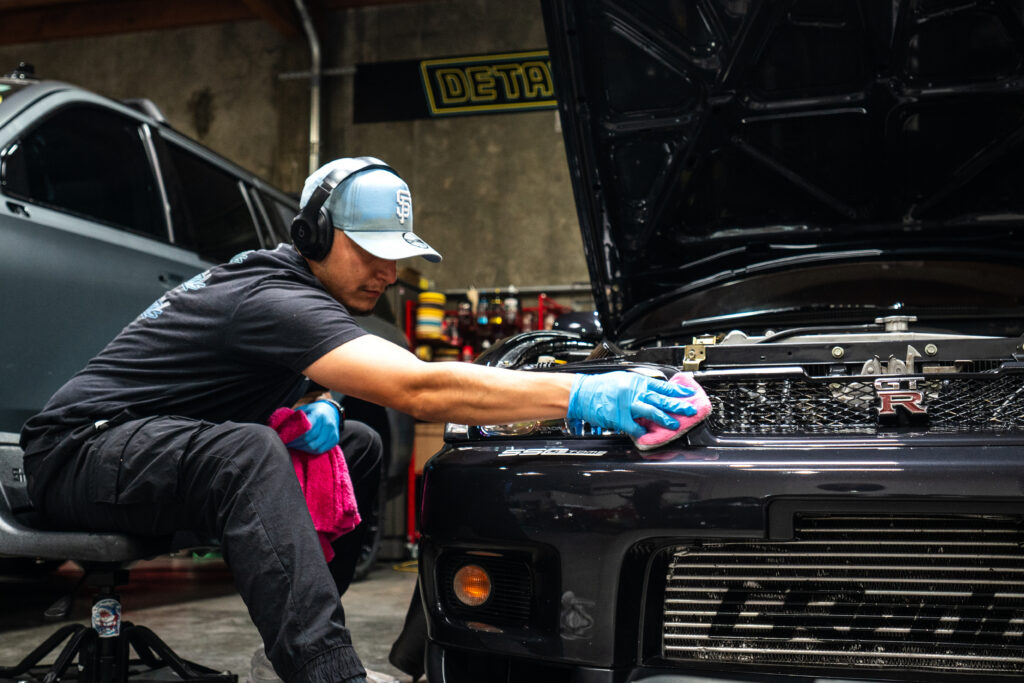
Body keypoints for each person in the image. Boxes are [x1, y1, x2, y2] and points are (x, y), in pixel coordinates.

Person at [19, 157, 697, 683]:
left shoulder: (294, 296)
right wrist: (581, 395)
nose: (386, 268)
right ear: (314, 234)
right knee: (248, 452)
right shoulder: (271, 296)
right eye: (367, 247)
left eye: (395, 251)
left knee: (357, 445)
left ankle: (299, 630)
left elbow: (302, 384)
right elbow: (419, 387)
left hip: (147, 458)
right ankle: (325, 670)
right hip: (78, 452)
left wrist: (319, 406)